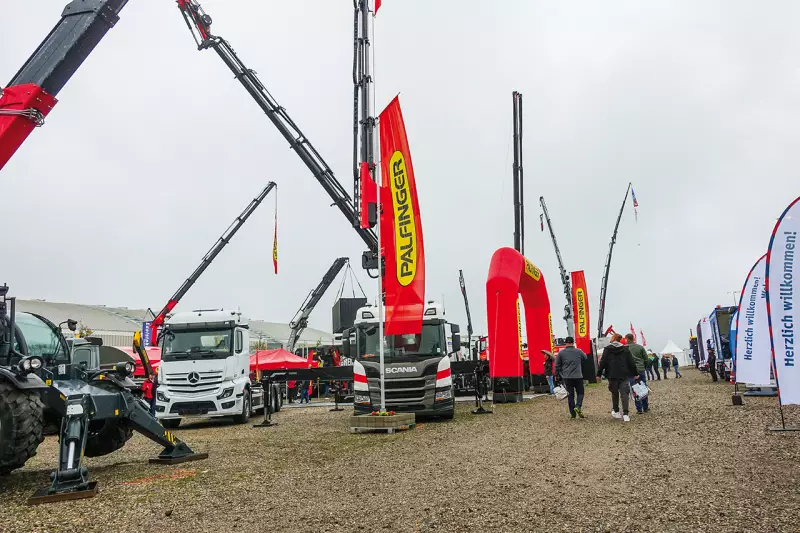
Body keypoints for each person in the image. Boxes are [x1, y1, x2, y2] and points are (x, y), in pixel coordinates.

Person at [597, 334, 638, 422]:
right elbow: (631, 362)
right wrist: (635, 373)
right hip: (624, 374)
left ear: (613, 339)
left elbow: (603, 362)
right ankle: (626, 414)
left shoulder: (607, 349)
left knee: (614, 393)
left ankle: (616, 411)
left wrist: (598, 374)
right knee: (624, 394)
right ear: (620, 340)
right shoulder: (625, 349)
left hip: (612, 375)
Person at [555, 337, 587, 418]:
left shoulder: (561, 353)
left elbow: (557, 366)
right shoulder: (578, 351)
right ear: (573, 342)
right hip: (578, 376)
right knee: (580, 393)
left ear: (565, 343)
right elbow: (585, 357)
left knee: (570, 395)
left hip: (567, 377)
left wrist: (559, 375)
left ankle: (573, 414)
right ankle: (578, 406)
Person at [625, 333, 650, 414]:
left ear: (627, 339)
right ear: (633, 338)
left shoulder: (624, 348)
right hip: (641, 369)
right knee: (643, 388)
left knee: (635, 389)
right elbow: (646, 359)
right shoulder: (640, 347)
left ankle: (639, 408)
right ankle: (645, 407)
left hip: (631, 371)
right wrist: (643, 367)